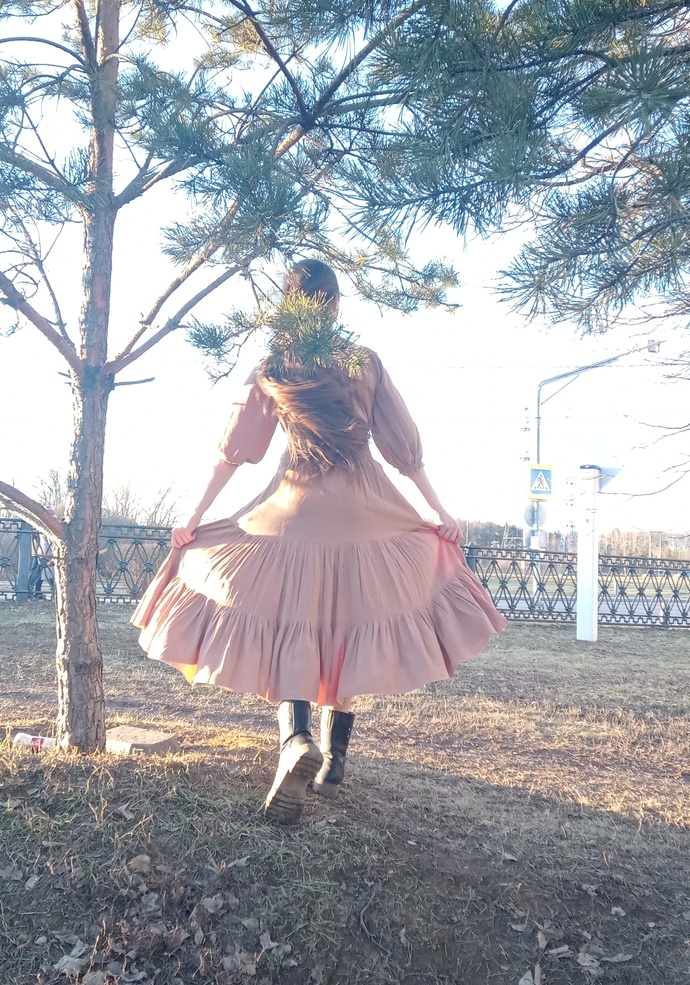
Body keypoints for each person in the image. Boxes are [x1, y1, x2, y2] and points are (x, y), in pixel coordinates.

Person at [132, 260, 507, 823]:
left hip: (293, 510)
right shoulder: (365, 362)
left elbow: (233, 454)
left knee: (297, 621)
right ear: (334, 305)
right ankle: (333, 763)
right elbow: (404, 451)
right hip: (366, 511)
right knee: (347, 624)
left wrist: (194, 517)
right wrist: (437, 510)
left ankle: (295, 739)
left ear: (288, 306)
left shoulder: (273, 367)